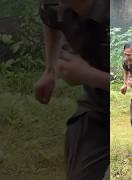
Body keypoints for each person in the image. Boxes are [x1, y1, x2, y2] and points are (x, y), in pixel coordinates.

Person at [34, 0, 109, 179]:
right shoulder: (53, 5)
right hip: (97, 109)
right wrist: (50, 69)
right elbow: (50, 20)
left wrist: (88, 75)